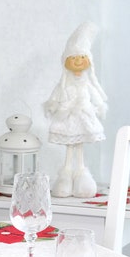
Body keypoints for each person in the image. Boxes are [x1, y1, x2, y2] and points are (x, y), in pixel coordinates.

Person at [43, 21, 107, 198]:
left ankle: (81, 173)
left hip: (83, 116)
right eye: (73, 57)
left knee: (79, 146)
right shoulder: (64, 84)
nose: (78, 60)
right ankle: (65, 175)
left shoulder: (86, 84)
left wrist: (100, 106)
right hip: (68, 117)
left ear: (89, 61)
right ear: (66, 61)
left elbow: (96, 95)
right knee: (70, 146)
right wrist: (52, 105)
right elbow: (55, 96)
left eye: (82, 57)